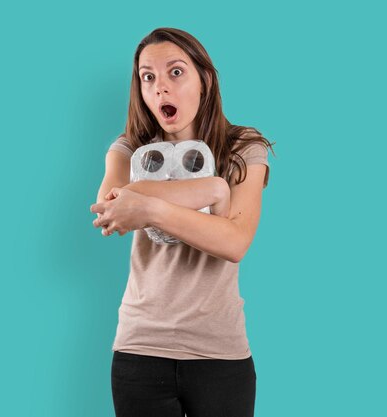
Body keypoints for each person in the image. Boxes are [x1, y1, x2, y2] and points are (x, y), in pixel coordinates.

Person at [89, 27, 276, 417]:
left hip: (220, 352)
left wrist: (150, 208)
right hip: (141, 349)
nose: (160, 88)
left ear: (204, 80)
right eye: (148, 77)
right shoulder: (130, 149)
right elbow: (109, 211)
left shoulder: (244, 148)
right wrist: (212, 190)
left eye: (176, 72)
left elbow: (234, 242)